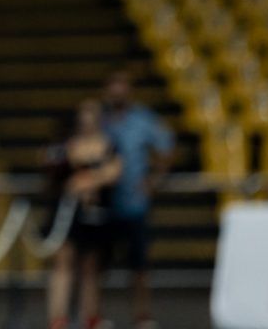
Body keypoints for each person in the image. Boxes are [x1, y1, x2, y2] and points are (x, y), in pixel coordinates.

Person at [102, 70, 173, 329]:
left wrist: (155, 180)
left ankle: (141, 315)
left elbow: (165, 147)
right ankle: (95, 315)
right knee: (99, 265)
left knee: (140, 265)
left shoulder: (144, 119)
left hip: (134, 204)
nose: (117, 91)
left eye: (122, 85)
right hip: (104, 204)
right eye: (113, 85)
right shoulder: (101, 121)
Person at [45, 99, 122, 329]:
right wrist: (93, 178)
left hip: (96, 214)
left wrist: (87, 180)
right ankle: (58, 318)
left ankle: (90, 317)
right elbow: (59, 171)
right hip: (69, 214)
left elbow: (114, 172)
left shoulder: (108, 144)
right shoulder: (68, 144)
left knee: (91, 267)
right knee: (63, 263)